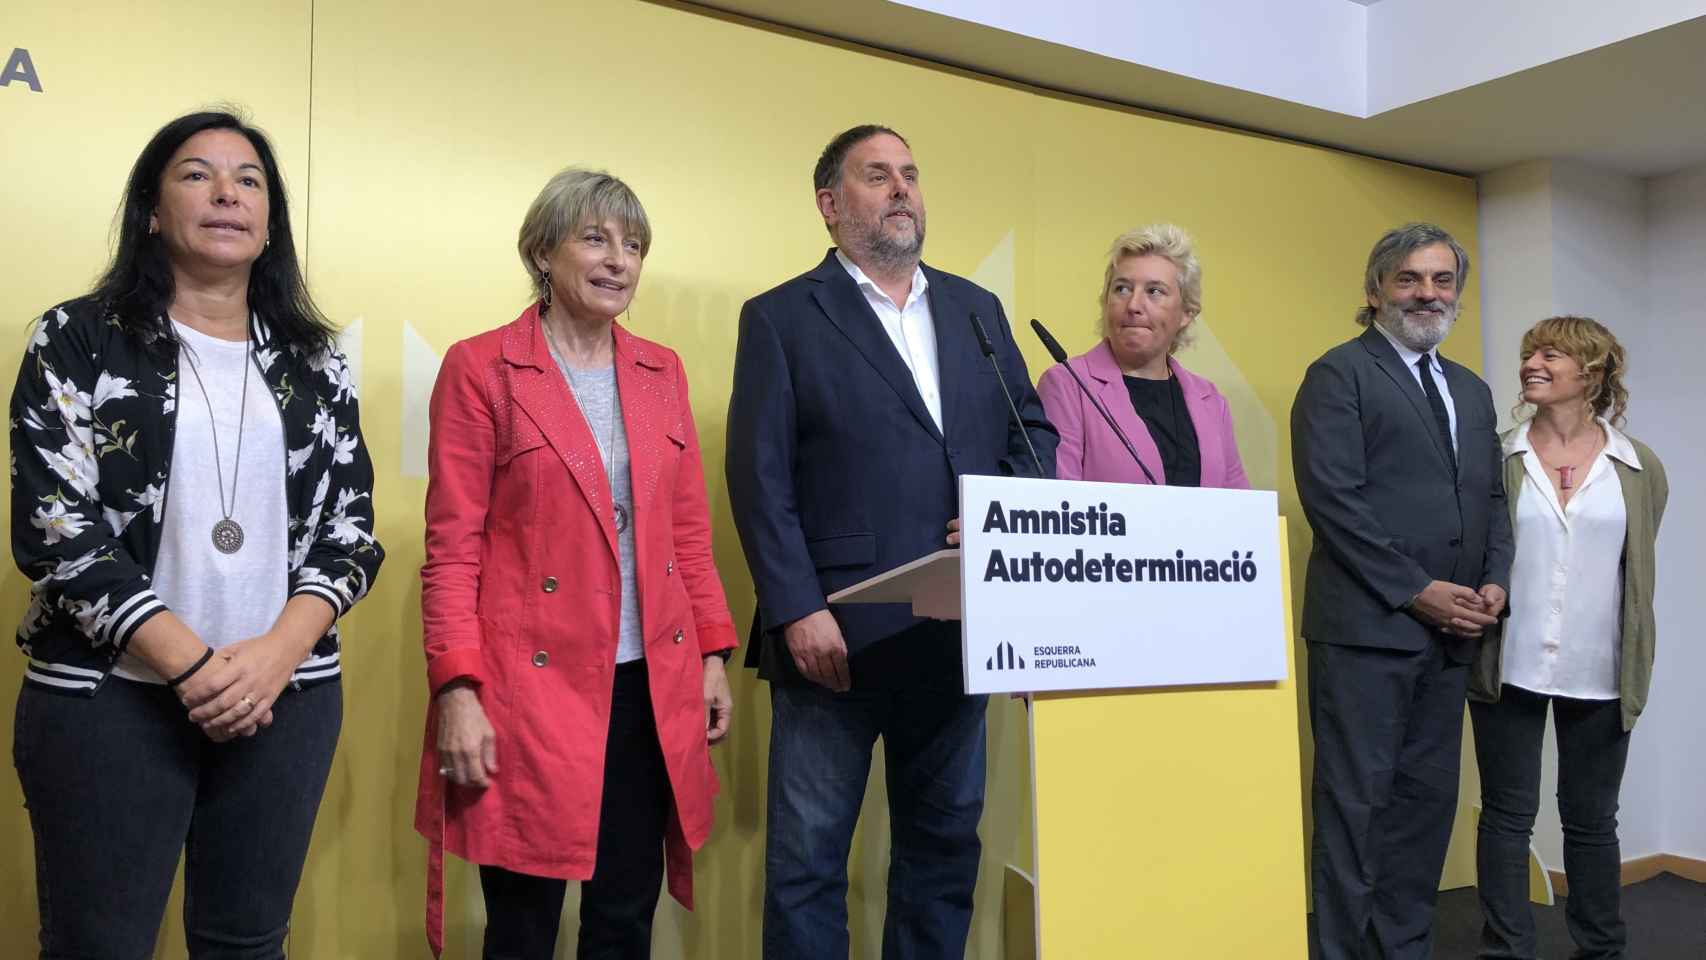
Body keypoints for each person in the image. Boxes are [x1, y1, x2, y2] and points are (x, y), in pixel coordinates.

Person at [8, 109, 383, 957]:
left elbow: (353, 530)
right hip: (110, 703)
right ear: (150, 208)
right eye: (196, 174)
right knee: (96, 946)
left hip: (284, 699)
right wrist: (199, 667)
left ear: (270, 221)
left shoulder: (314, 360)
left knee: (249, 944)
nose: (226, 193)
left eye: (249, 180)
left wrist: (278, 655)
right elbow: (57, 533)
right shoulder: (77, 339)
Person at [725, 124, 1058, 959]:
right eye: (878, 176)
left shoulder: (976, 308)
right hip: (836, 639)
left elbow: (1035, 434)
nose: (902, 188)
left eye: (910, 173)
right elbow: (758, 478)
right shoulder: (780, 318)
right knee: (808, 867)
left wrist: (1001, 508)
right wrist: (797, 610)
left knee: (943, 855)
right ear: (831, 205)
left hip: (959, 632)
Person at [414, 168, 738, 960]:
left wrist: (711, 656)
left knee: (624, 920)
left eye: (634, 245)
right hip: (528, 692)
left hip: (644, 685)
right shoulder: (481, 366)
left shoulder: (663, 372)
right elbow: (452, 547)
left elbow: (687, 536)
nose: (618, 260)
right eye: (595, 238)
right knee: (522, 929)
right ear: (542, 252)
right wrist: (458, 688)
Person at [1290, 222, 1513, 959]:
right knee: (1354, 813)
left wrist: (1493, 583)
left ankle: (1404, 950)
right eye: (1410, 279)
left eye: (1442, 280)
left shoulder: (1474, 392)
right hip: (1365, 635)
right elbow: (1334, 502)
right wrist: (1417, 589)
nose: (1427, 293)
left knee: (1424, 813)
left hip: (1451, 639)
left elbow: (1492, 504)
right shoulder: (1339, 374)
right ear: (1376, 289)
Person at [1467, 316, 1667, 959]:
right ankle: (1507, 949)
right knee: (1506, 817)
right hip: (1510, 661)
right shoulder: (1496, 455)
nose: (1532, 363)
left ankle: (1601, 948)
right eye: (1528, 353)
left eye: (1550, 354)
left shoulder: (1637, 467)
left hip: (1601, 667)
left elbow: (1634, 565)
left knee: (1591, 823)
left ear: (1592, 370)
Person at [1037, 223, 1248, 488]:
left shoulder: (1211, 400)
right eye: (1122, 289)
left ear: (1186, 313)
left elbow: (1239, 504)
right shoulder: (1067, 386)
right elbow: (1058, 504)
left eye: (1154, 291)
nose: (1134, 305)